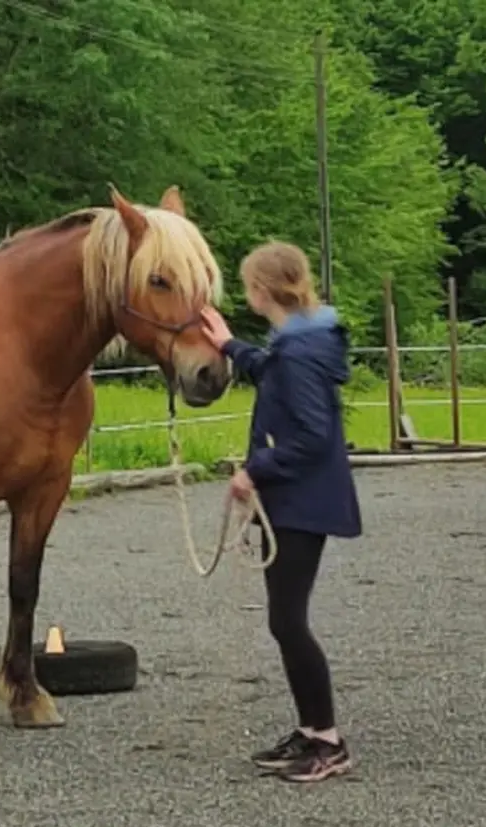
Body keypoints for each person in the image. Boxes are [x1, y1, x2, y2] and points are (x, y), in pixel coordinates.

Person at [199, 240, 362, 784]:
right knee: (284, 620)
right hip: (298, 498)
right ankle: (311, 729)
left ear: (259, 291)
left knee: (288, 621)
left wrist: (256, 470)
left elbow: (312, 435)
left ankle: (328, 740)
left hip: (300, 501)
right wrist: (228, 345)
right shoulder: (300, 341)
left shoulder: (297, 354)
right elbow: (272, 369)